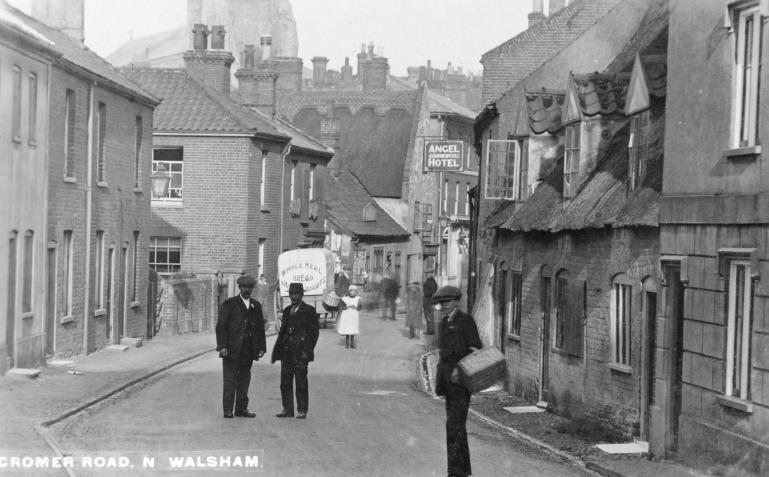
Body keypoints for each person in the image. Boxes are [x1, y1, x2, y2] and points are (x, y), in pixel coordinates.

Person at [433, 286, 482, 477]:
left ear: (456, 302)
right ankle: (461, 470)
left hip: (461, 382)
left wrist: (459, 369)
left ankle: (455, 472)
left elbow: (475, 348)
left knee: (454, 425)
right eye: (440, 303)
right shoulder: (444, 322)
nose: (442, 306)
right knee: (455, 426)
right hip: (447, 382)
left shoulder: (466, 321)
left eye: (446, 302)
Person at [215, 275, 266, 418]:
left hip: (247, 351)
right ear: (239, 288)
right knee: (230, 380)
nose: (247, 290)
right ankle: (228, 410)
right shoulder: (229, 304)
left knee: (244, 380)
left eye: (249, 288)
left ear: (252, 289)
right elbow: (221, 327)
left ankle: (241, 409)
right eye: (244, 287)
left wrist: (261, 347)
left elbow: (260, 329)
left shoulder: (256, 306)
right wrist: (222, 346)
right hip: (231, 350)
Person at [271, 282, 320, 419]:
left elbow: (314, 334)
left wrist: (307, 351)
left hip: (301, 353)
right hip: (287, 353)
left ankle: (302, 410)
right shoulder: (287, 311)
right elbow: (283, 333)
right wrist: (278, 352)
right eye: (292, 294)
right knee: (285, 383)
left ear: (302, 294)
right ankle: (287, 409)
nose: (294, 297)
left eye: (297, 294)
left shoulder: (309, 311)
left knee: (301, 382)